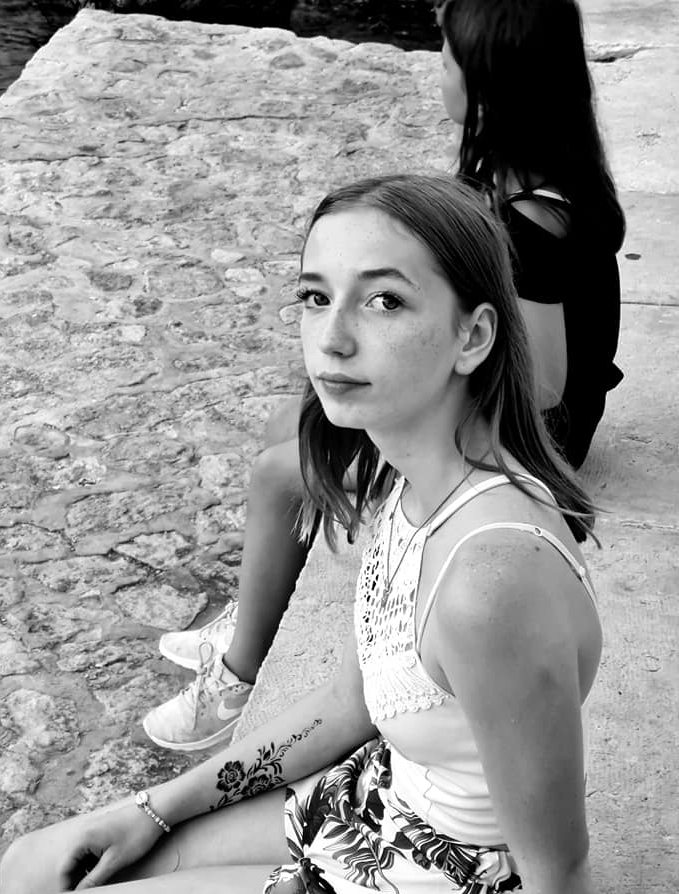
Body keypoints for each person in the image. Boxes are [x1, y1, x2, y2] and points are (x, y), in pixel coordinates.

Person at [0, 173, 613, 894]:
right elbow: (350, 704)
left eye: (385, 301)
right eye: (315, 296)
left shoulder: (490, 582)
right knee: (35, 865)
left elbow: (558, 874)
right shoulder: (410, 481)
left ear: (472, 337)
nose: (332, 338)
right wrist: (152, 809)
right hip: (371, 811)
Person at [142, 0, 625, 754]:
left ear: (489, 85)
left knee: (280, 474)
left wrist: (426, 383)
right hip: (502, 402)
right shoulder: (540, 176)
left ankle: (238, 677)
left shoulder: (532, 222)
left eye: (446, 57)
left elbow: (548, 385)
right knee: (293, 422)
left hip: (521, 432)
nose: (439, 71)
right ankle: (254, 607)